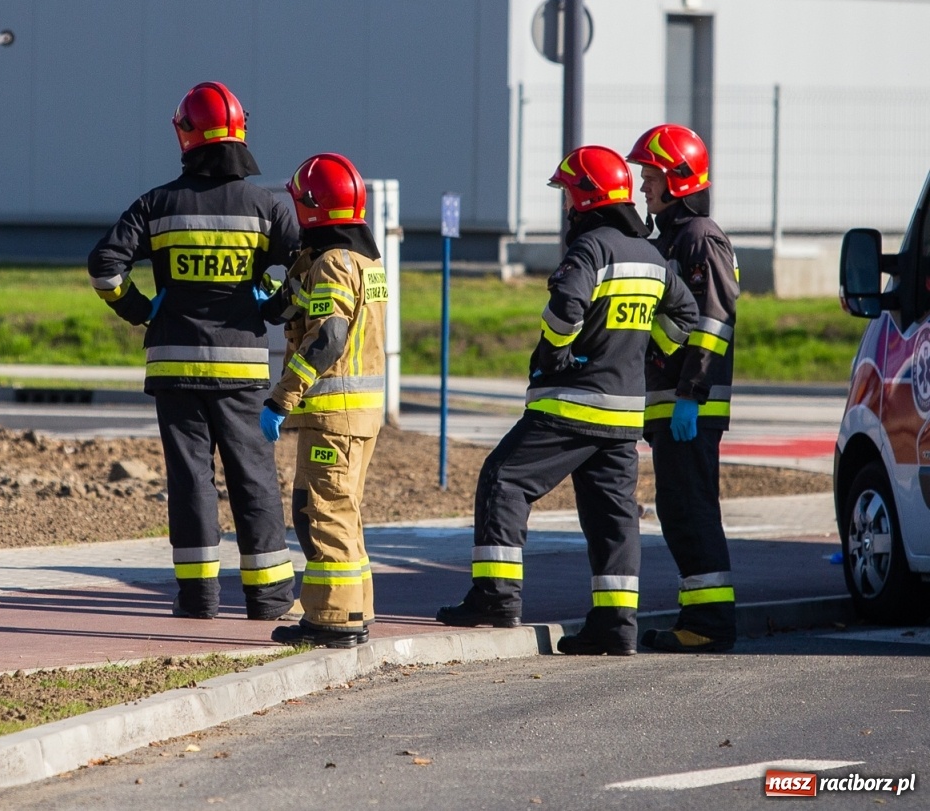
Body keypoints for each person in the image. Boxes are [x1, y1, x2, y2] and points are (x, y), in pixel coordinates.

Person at [437, 146, 698, 655]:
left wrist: (556, 354)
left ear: (585, 199)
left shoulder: (591, 249)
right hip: (624, 416)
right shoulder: (651, 256)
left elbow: (565, 310)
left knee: (503, 479)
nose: (565, 207)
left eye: (567, 196)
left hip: (569, 407)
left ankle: (496, 597)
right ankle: (616, 625)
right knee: (613, 519)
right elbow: (684, 318)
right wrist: (646, 351)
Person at [88, 82, 299, 620]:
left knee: (191, 484)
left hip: (174, 369)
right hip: (242, 371)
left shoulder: (156, 205)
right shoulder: (266, 207)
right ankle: (270, 599)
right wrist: (274, 307)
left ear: (185, 134)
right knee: (253, 480)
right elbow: (307, 270)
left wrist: (141, 309)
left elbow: (105, 268)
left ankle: (198, 598)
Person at [258, 153, 388, 649]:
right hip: (358, 416)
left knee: (321, 513)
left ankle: (332, 619)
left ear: (312, 207)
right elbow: (303, 304)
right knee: (341, 511)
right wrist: (278, 298)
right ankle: (355, 610)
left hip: (334, 415)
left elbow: (328, 337)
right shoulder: (363, 260)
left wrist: (281, 399)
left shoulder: (333, 262)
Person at [627, 124, 740, 653]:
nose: (642, 186)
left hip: (690, 404)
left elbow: (714, 321)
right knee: (678, 510)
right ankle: (697, 617)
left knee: (690, 510)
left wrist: (692, 394)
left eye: (650, 176)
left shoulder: (700, 238)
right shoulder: (672, 239)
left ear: (677, 180)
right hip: (670, 403)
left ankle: (710, 623)